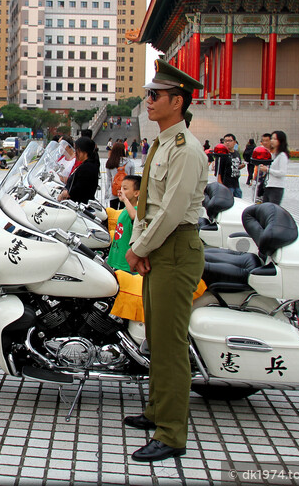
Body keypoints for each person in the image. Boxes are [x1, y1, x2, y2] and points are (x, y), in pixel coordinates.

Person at [124, 59, 207, 463]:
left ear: (177, 101)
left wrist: (139, 248)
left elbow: (171, 211)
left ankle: (172, 433)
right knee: (155, 337)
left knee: (171, 346)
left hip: (176, 250)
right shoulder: (160, 143)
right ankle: (156, 410)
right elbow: (147, 206)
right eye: (148, 94)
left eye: (154, 95)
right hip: (161, 247)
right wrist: (140, 243)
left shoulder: (185, 149)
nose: (148, 100)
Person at [107, 175, 140, 272]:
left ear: (136, 193)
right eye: (121, 187)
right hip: (116, 258)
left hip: (126, 263)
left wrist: (125, 199)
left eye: (125, 189)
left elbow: (135, 217)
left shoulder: (136, 210)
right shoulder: (125, 210)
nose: (121, 191)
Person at [59, 137, 99, 204]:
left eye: (76, 150)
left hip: (79, 205)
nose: (75, 153)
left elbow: (79, 189)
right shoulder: (87, 165)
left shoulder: (87, 168)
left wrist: (65, 193)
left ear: (84, 152)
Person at [258, 130, 289, 205]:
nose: (272, 141)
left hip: (276, 187)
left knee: (272, 209)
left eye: (275, 139)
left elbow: (282, 172)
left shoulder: (282, 155)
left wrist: (267, 170)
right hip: (268, 185)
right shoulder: (273, 154)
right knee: (265, 208)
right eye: (272, 138)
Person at [105, 141, 135, 209]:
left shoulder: (110, 163)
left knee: (113, 213)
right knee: (123, 213)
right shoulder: (130, 163)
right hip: (125, 193)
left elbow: (109, 179)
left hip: (114, 192)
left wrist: (107, 192)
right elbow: (132, 179)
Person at [216, 133, 244, 198]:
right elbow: (219, 170)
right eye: (225, 141)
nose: (227, 143)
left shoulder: (236, 153)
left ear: (234, 142)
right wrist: (220, 184)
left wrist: (240, 166)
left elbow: (235, 166)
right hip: (226, 185)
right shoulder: (222, 154)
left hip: (236, 184)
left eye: (230, 141)